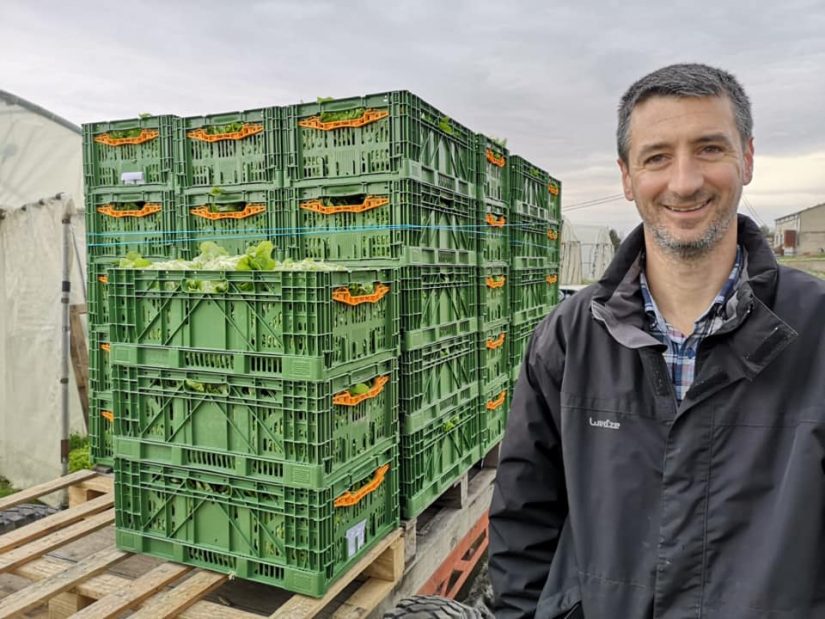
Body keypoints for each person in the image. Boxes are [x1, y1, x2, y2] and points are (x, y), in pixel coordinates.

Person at [488, 63, 825, 619]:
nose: (685, 181)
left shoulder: (814, 333)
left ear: (748, 158)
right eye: (657, 157)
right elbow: (525, 521)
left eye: (710, 149)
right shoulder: (569, 338)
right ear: (627, 177)